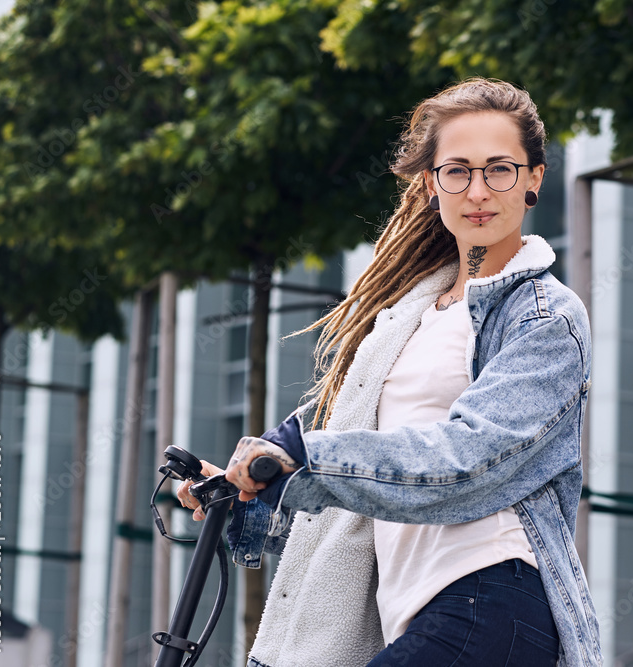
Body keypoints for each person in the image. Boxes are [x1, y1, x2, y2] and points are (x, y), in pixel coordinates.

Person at [178, 77, 601, 667]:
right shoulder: (405, 318)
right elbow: (344, 491)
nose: (478, 191)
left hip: (491, 597)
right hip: (414, 611)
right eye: (457, 171)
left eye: (499, 169)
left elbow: (466, 462)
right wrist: (242, 492)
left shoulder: (546, 317)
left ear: (533, 178)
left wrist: (309, 454)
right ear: (431, 186)